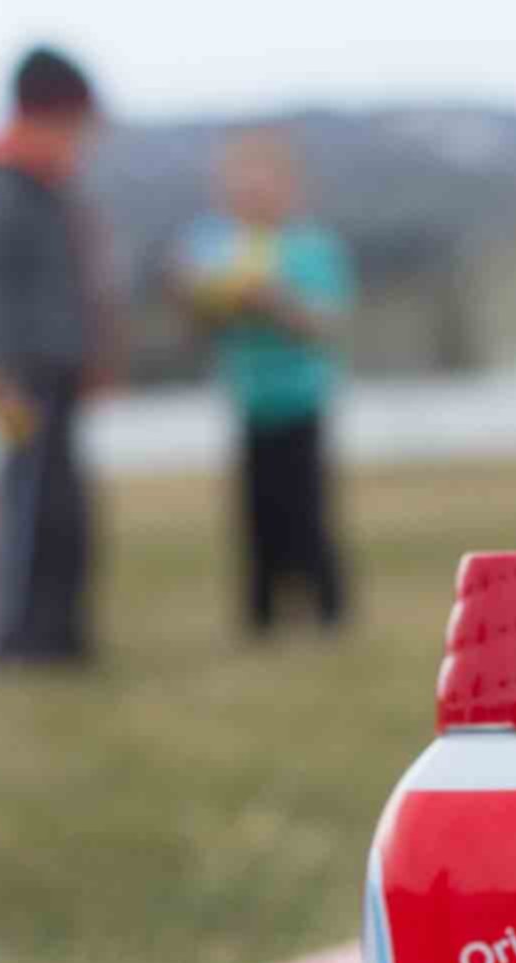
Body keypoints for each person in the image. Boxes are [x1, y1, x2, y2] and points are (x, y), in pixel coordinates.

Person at [0, 47, 108, 664]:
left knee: (61, 503)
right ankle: (18, 641)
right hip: (19, 374)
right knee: (29, 502)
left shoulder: (46, 186)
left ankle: (60, 636)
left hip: (56, 368)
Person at [173, 131, 355, 635]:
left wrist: (276, 303)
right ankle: (261, 619)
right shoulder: (214, 247)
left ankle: (328, 614)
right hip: (248, 400)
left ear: (288, 188)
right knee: (256, 515)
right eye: (239, 188)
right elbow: (194, 324)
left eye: (261, 186)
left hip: (302, 399)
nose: (249, 197)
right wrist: (208, 297)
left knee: (308, 511)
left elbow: (326, 324)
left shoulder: (310, 247)